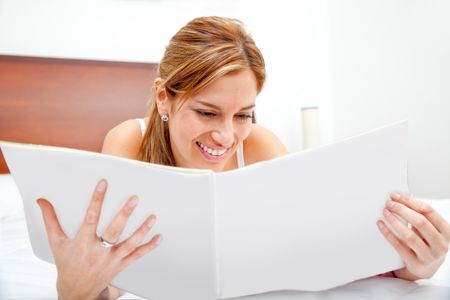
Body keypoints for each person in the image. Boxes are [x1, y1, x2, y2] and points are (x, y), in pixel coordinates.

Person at [36, 16, 450, 299]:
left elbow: (319, 249)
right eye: (207, 112)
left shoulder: (261, 147)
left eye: (244, 115)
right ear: (164, 96)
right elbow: (112, 273)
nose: (227, 135)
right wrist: (77, 289)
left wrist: (410, 266)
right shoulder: (129, 142)